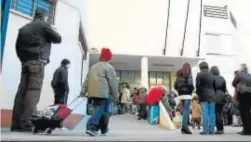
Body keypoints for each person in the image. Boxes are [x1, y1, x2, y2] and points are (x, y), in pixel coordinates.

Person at [11, 8, 61, 132]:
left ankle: (16, 123)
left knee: (22, 91)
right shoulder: (43, 26)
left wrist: (23, 59)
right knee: (33, 92)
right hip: (37, 62)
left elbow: (17, 47)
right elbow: (58, 38)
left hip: (25, 62)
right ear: (44, 16)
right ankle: (26, 123)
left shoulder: (24, 29)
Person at [78, 47, 118, 136]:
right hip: (103, 93)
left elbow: (87, 80)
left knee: (103, 111)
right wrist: (116, 96)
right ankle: (91, 127)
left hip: (93, 93)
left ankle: (104, 129)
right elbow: (113, 83)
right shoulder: (109, 68)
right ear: (108, 58)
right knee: (100, 110)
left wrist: (82, 92)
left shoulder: (93, 67)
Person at [196, 62, 216, 135]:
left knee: (205, 112)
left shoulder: (199, 74)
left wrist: (198, 94)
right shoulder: (212, 75)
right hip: (212, 95)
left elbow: (198, 86)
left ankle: (206, 130)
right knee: (212, 113)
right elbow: (214, 86)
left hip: (203, 95)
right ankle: (212, 130)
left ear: (200, 67)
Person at [174, 63, 194, 134]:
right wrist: (190, 91)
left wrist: (180, 91)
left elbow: (175, 86)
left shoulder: (179, 75)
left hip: (181, 95)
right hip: (187, 95)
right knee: (186, 111)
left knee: (184, 111)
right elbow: (191, 85)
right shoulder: (189, 75)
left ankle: (183, 128)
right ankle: (185, 127)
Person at [232, 64, 251, 135]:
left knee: (243, 112)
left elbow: (233, 83)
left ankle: (246, 130)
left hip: (242, 94)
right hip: (249, 94)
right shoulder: (249, 75)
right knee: (248, 112)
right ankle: (248, 129)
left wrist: (238, 85)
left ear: (241, 68)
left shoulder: (239, 74)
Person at [210, 66, 227, 134]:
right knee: (219, 112)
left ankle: (219, 129)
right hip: (222, 95)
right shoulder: (222, 78)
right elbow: (224, 89)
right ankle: (221, 128)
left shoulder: (211, 78)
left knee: (216, 113)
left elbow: (211, 87)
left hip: (214, 95)